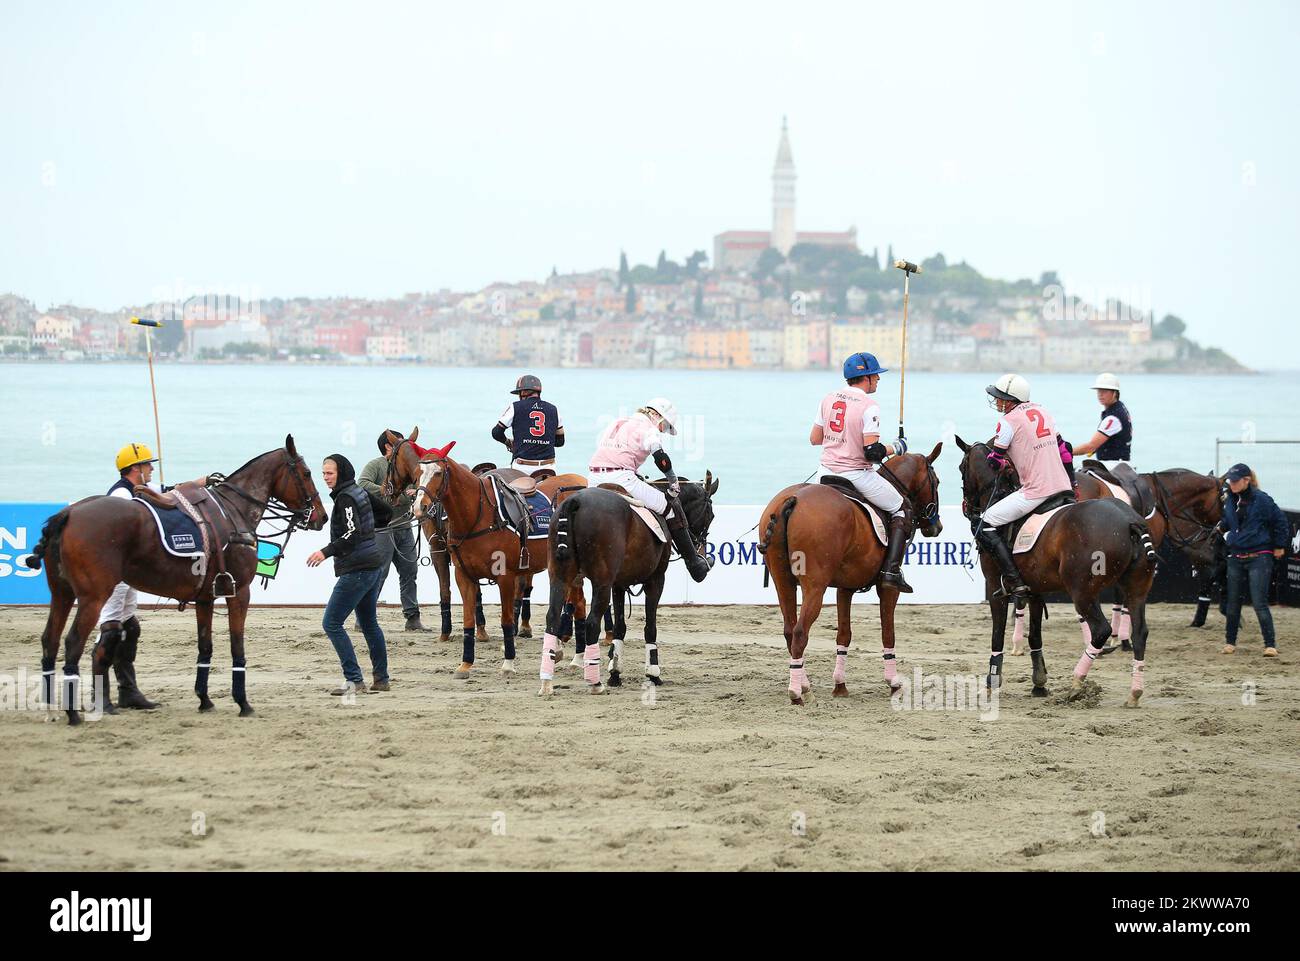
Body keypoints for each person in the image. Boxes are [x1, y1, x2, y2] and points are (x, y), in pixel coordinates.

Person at [810, 352, 912, 591]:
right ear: (865, 377)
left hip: (824, 473)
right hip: (855, 474)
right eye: (876, 375)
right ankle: (891, 570)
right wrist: (897, 447)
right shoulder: (870, 406)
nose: (878, 379)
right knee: (902, 508)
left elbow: (815, 438)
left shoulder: (828, 398)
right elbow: (872, 453)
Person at [586, 397, 713, 582]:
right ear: (656, 416)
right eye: (665, 426)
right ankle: (695, 564)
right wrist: (672, 480)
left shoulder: (617, 421)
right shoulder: (649, 430)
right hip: (622, 479)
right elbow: (661, 458)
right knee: (669, 508)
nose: (664, 430)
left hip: (594, 478)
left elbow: (613, 454)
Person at [975, 374, 1075, 599]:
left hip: (1035, 492)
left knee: (986, 524)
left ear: (1011, 400)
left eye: (1000, 397)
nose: (997, 401)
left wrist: (1000, 461)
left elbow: (994, 461)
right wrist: (1073, 483)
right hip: (1063, 486)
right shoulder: (1044, 412)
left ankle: (1013, 579)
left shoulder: (1007, 422)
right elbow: (1065, 453)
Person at [307, 454, 394, 693]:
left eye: (330, 473)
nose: (325, 478)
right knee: (369, 624)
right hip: (373, 565)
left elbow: (351, 534)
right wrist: (368, 530)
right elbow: (386, 512)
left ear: (341, 473)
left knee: (332, 623)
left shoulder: (346, 498)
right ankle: (381, 680)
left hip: (357, 570)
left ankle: (354, 680)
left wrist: (325, 552)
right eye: (323, 473)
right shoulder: (358, 491)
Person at [358, 429, 429, 632]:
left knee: (410, 571)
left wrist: (414, 492)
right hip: (382, 527)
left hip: (404, 525)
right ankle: (364, 616)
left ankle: (412, 617)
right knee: (380, 572)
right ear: (388, 447)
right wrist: (383, 490)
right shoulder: (376, 465)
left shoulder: (406, 469)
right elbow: (362, 483)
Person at [1217, 463, 1288, 656]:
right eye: (1230, 481)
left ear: (1247, 480)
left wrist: (1280, 545)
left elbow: (1280, 522)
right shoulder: (1230, 501)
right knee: (1233, 604)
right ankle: (1230, 642)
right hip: (1236, 556)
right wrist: (1221, 527)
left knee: (1259, 603)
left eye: (1235, 481)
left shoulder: (1263, 500)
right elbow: (1229, 522)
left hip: (1259, 556)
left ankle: (1270, 644)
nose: (1231, 484)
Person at [492, 374, 565, 472]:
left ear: (524, 392)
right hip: (548, 467)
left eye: (519, 393)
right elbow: (560, 442)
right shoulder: (554, 409)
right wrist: (542, 442)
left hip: (522, 468)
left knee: (494, 479)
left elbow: (496, 433)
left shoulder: (515, 407)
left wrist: (508, 442)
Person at [1072, 372, 1132, 470]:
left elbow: (1090, 446)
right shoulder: (1119, 407)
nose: (1100, 394)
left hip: (1114, 466)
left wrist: (1066, 452)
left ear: (1115, 393)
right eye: (1099, 391)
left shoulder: (1113, 418)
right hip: (1118, 464)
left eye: (1104, 391)